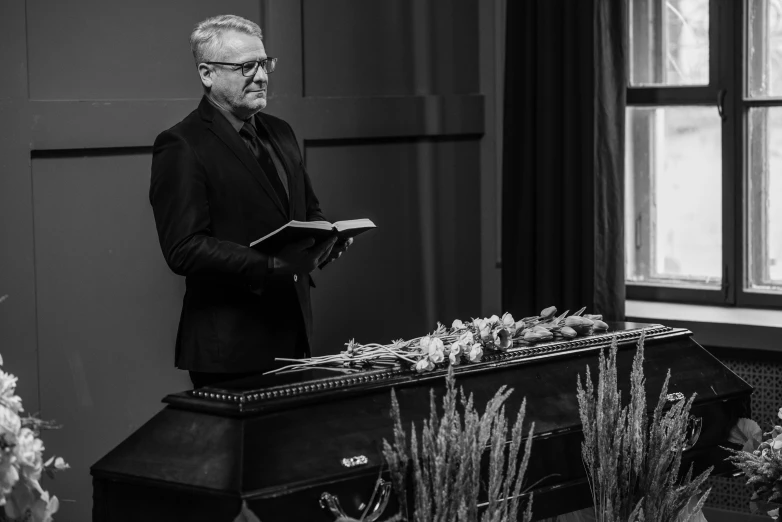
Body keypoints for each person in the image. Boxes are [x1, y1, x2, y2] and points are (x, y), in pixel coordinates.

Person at [149, 14, 350, 389]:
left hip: (294, 337)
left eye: (264, 63)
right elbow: (183, 248)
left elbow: (308, 209)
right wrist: (272, 263)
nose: (261, 76)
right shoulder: (181, 144)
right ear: (207, 74)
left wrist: (326, 240)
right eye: (246, 67)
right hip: (230, 349)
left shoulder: (281, 131)